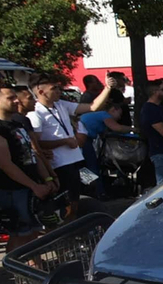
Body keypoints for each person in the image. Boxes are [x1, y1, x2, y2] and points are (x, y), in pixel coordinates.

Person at [0, 84, 55, 251]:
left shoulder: (18, 124)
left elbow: (33, 154)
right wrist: (34, 186)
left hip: (32, 187)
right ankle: (18, 270)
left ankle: (33, 267)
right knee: (20, 234)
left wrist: (48, 178)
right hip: (12, 191)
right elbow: (6, 165)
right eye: (10, 98)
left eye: (15, 97)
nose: (16, 101)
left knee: (33, 233)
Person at [29, 74, 112, 217]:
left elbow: (92, 107)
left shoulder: (61, 104)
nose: (58, 91)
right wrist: (64, 141)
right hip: (60, 163)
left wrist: (108, 88)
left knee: (90, 184)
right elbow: (36, 143)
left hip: (77, 159)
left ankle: (85, 222)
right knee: (68, 199)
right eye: (54, 88)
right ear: (41, 91)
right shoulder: (36, 112)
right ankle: (70, 227)